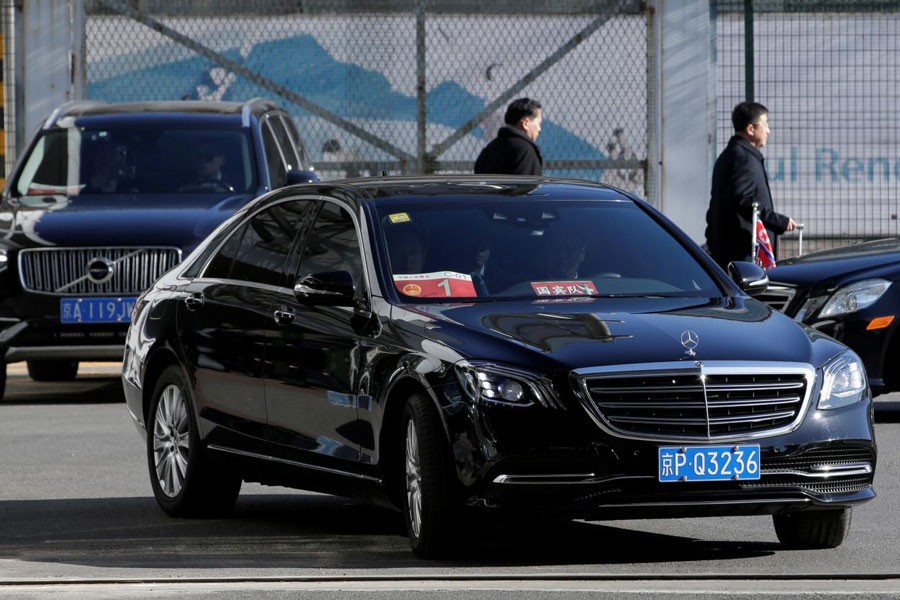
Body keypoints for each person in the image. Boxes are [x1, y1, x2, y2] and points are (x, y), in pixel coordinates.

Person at [705, 101, 796, 269]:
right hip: (743, 257)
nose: (768, 130)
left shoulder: (732, 156)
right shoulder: (742, 159)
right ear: (751, 129)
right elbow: (744, 202)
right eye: (765, 124)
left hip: (731, 254)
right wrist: (778, 221)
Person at [474, 97, 544, 176]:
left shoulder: (489, 149)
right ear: (525, 123)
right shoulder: (525, 151)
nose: (539, 129)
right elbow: (527, 187)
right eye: (539, 123)